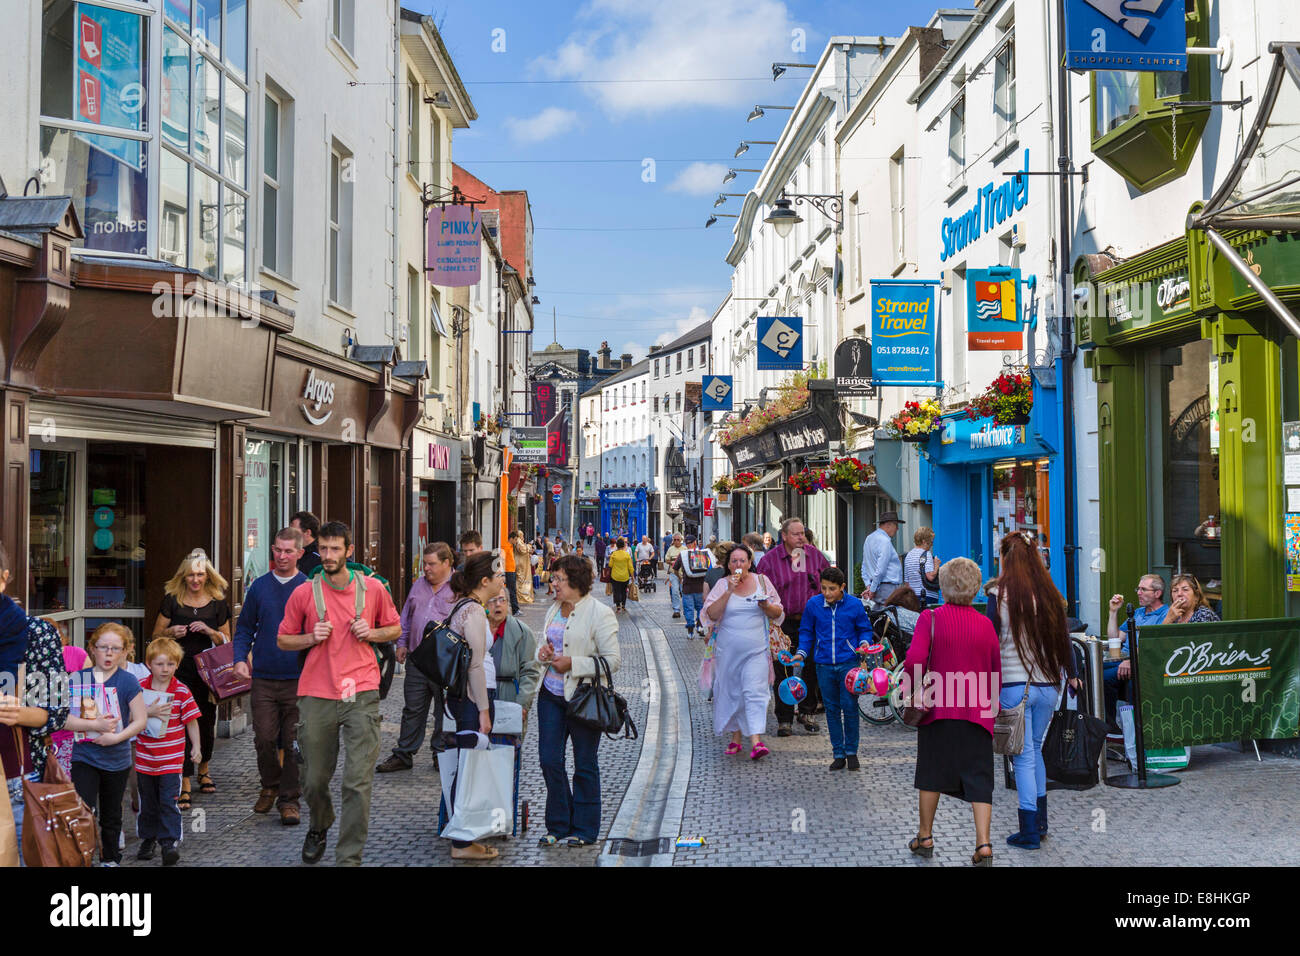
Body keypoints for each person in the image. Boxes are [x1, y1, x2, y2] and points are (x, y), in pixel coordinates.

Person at [277, 521, 401, 866]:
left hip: (360, 691)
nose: (327, 555)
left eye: (335, 549)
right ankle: (319, 824)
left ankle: (348, 859)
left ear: (349, 551)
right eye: (323, 549)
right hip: (317, 692)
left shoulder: (373, 589)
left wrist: (373, 632)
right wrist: (310, 637)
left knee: (357, 782)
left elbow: (395, 628)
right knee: (314, 780)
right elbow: (283, 639)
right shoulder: (304, 592)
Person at [903, 558, 1001, 866]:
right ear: (974, 589)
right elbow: (994, 670)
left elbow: (915, 661)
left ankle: (925, 836)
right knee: (980, 778)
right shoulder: (986, 624)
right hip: (977, 713)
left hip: (938, 711)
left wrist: (909, 689)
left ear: (943, 587)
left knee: (932, 774)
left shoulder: (929, 619)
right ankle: (983, 844)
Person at [985, 533, 1078, 850]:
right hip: (1048, 685)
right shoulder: (1051, 595)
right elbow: (1066, 639)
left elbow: (990, 642)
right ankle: (1040, 823)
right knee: (1035, 751)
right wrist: (1073, 674)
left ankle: (1028, 831)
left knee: (1022, 758)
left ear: (1005, 559)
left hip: (1014, 685)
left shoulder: (999, 595)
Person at [534, 554, 620, 847]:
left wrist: (574, 663)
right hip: (551, 695)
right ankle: (558, 823)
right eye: (553, 577)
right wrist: (542, 654)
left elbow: (612, 660)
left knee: (584, 763)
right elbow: (543, 646)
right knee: (549, 760)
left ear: (575, 581)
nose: (553, 583)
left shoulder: (599, 613)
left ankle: (584, 828)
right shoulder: (554, 609)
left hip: (584, 697)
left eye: (558, 579)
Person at [232, 527, 308, 823]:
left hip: (299, 679)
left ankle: (289, 799)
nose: (282, 556)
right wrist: (240, 659)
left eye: (289, 551)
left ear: (300, 553)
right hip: (263, 676)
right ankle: (270, 785)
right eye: (277, 549)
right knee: (264, 738)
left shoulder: (308, 588)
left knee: (293, 742)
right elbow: (244, 628)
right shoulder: (259, 587)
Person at [152, 548, 231, 809]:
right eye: (190, 576)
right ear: (182, 577)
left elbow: (226, 640)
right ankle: (184, 779)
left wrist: (209, 630)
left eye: (199, 574)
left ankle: (204, 768)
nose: (195, 580)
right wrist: (171, 632)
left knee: (206, 721)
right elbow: (155, 637)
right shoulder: (172, 599)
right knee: (180, 723)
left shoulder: (218, 601)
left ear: (207, 575)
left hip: (208, 674)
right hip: (178, 671)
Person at [435, 551, 502, 861]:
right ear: (485, 581)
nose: (503, 579)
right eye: (498, 574)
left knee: (467, 765)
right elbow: (475, 665)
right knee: (470, 767)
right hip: (471, 698)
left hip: (462, 696)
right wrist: (484, 710)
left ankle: (462, 835)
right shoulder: (473, 611)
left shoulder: (465, 606)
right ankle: (462, 842)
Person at [70, 623, 149, 866]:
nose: (109, 653)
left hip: (117, 758)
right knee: (83, 810)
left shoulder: (127, 681)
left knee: (112, 813)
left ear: (125, 652)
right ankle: (82, 857)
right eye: (103, 647)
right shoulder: (76, 679)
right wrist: (95, 726)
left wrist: (115, 737)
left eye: (116, 648)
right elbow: (63, 719)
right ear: (92, 649)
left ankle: (111, 858)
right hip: (84, 756)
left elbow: (141, 719)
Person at [377, 542, 456, 773]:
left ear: (446, 563)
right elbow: (407, 616)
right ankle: (404, 753)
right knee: (413, 708)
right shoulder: (419, 585)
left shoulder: (458, 587)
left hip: (444, 662)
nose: (426, 569)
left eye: (431, 564)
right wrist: (401, 643)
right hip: (416, 659)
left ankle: (440, 753)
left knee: (443, 710)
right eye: (425, 564)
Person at [701, 544, 783, 760]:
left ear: (749, 562)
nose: (738, 565)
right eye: (734, 561)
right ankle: (736, 738)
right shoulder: (721, 584)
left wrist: (765, 606)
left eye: (742, 561)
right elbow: (711, 613)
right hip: (727, 652)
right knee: (733, 692)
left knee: (754, 691)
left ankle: (756, 741)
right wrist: (729, 591)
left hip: (757, 651)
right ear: (728, 565)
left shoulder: (762, 582)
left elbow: (778, 612)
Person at [794, 567, 874, 770]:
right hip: (823, 665)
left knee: (849, 707)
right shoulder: (813, 605)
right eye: (823, 588)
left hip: (849, 663)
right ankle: (838, 753)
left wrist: (864, 642)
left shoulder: (855, 605)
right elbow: (806, 633)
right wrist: (801, 653)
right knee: (831, 709)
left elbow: (865, 628)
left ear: (842, 588)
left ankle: (851, 752)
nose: (827, 593)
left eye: (832, 589)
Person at [133, 637, 202, 865]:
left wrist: (197, 748)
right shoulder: (140, 688)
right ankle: (148, 838)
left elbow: (192, 721)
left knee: (169, 801)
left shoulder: (181, 691)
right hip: (145, 758)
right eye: (160, 664)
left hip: (171, 761)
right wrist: (147, 711)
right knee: (148, 803)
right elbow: (129, 715)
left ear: (177, 665)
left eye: (170, 664)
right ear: (149, 663)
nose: (165, 669)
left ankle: (169, 842)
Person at [757, 518, 825, 737]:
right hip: (781, 622)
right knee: (783, 667)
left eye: (802, 533)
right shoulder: (770, 561)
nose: (801, 538)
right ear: (784, 536)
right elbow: (761, 591)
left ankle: (807, 712)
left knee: (811, 665)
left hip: (810, 620)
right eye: (796, 534)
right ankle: (784, 717)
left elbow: (829, 579)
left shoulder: (812, 555)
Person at [1103, 574, 1168, 726]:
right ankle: (1099, 725)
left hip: (1142, 663)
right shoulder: (1138, 612)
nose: (1138, 592)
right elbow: (1116, 639)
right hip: (1123, 659)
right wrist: (1113, 612)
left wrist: (1130, 660)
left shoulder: (1165, 615)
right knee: (1089, 669)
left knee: (1104, 678)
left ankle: (1112, 727)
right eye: (1138, 588)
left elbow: (1153, 645)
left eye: (1143, 589)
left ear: (1157, 593)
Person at [486, 592, 542, 708]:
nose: (498, 604)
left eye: (502, 600)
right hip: (479, 698)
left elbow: (530, 672)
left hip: (510, 698)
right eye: (492, 600)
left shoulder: (522, 632)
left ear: (508, 603)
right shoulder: (475, 629)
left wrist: (522, 703)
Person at [861, 512, 905, 603]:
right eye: (896, 525)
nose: (897, 529)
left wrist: (869, 586)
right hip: (887, 587)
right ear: (888, 525)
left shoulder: (869, 538)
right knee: (889, 614)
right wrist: (872, 590)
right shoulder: (885, 541)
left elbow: (864, 566)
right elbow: (881, 569)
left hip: (877, 585)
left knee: (879, 614)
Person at [903, 527, 942, 606]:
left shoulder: (908, 556)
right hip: (927, 596)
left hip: (913, 596)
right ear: (924, 542)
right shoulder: (926, 554)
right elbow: (930, 576)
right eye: (930, 542)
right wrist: (937, 565)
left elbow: (907, 582)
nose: (932, 545)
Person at [290, 511, 322, 576]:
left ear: (307, 533)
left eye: (293, 531)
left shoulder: (319, 557)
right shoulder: (294, 552)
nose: (289, 534)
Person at [608, 536, 634, 613]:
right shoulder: (627, 555)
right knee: (623, 591)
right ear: (623, 546)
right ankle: (623, 605)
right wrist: (632, 576)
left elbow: (610, 565)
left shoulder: (614, 554)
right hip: (625, 577)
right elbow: (630, 567)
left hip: (615, 576)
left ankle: (618, 606)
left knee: (616, 591)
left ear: (617, 545)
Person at [511, 531, 535, 606]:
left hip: (523, 564)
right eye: (522, 535)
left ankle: (523, 596)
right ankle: (521, 597)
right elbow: (522, 549)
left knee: (523, 580)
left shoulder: (519, 541)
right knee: (521, 580)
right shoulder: (518, 541)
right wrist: (529, 545)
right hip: (520, 564)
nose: (523, 536)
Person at [664, 533, 685, 618]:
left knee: (684, 591)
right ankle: (676, 610)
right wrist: (673, 562)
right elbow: (667, 559)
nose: (676, 541)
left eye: (678, 540)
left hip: (683, 574)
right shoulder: (670, 549)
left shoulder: (684, 549)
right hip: (673, 573)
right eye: (675, 540)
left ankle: (686, 609)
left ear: (681, 540)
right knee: (675, 591)